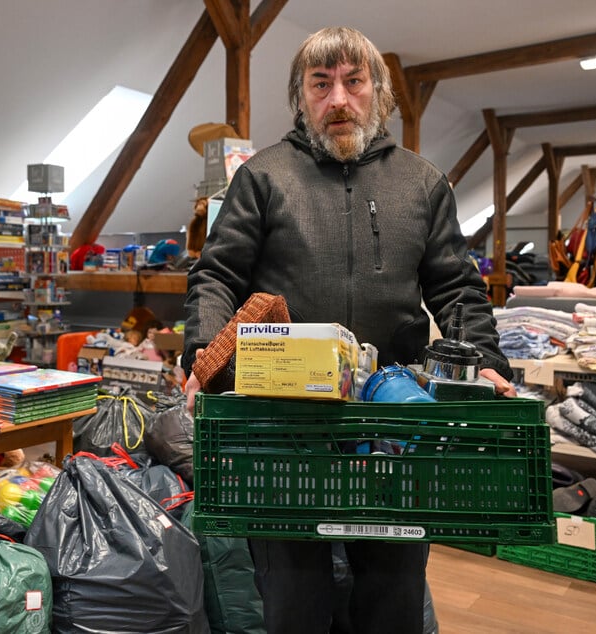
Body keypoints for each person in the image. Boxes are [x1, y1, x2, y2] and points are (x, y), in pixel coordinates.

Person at [181, 26, 515, 633]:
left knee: (393, 593)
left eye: (353, 82)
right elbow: (217, 273)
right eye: (320, 84)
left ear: (379, 94)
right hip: (283, 424)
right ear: (300, 98)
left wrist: (484, 361)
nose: (338, 99)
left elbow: (456, 287)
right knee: (293, 600)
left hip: (393, 420)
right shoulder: (262, 177)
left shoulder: (422, 182)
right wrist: (204, 352)